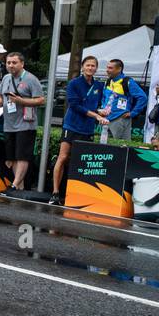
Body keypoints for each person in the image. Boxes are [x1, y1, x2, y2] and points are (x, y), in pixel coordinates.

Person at [51, 55, 107, 205]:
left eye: (93, 66)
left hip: (88, 128)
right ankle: (55, 193)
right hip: (71, 125)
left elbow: (95, 106)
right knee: (63, 157)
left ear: (96, 68)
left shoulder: (99, 85)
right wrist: (96, 115)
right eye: (88, 65)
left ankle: (77, 195)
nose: (90, 68)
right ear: (82, 67)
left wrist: (101, 111)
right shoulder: (74, 83)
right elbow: (75, 105)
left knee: (82, 161)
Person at [0, 51, 45, 191]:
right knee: (12, 158)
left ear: (22, 64)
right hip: (8, 124)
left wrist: (21, 101)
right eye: (8, 63)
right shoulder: (6, 78)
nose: (11, 65)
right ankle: (19, 188)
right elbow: (0, 96)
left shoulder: (31, 79)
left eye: (14, 62)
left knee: (22, 156)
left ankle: (15, 184)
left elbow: (41, 100)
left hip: (25, 124)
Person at [99, 58, 147, 142]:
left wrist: (133, 113)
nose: (107, 70)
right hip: (106, 119)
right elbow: (104, 97)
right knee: (104, 145)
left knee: (119, 146)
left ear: (119, 69)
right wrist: (103, 108)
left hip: (119, 118)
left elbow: (143, 98)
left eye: (110, 68)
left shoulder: (127, 82)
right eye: (107, 67)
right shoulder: (108, 81)